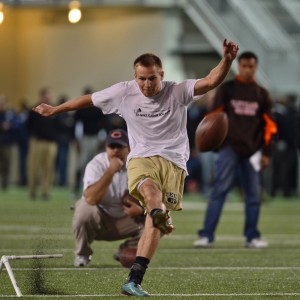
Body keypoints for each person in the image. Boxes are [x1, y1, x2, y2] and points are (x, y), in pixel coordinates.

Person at [33, 38, 239, 296]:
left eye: (152, 78)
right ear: (135, 76)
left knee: (155, 222)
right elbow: (88, 100)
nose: (146, 84)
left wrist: (228, 60)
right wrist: (56, 109)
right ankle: (157, 213)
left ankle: (134, 280)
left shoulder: (177, 91)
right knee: (150, 191)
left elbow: (210, 81)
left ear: (161, 74)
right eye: (141, 79)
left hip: (174, 163)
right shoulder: (124, 92)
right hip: (142, 157)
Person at [193, 51, 278, 250]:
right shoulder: (227, 90)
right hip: (229, 148)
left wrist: (266, 152)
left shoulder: (262, 94)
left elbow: (270, 127)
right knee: (219, 191)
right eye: (245, 66)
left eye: (252, 66)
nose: (248, 70)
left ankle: (252, 237)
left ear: (255, 68)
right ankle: (207, 235)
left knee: (253, 195)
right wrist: (214, 143)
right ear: (239, 67)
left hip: (253, 151)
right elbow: (213, 117)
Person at [72, 129, 145, 267]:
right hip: (100, 219)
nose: (116, 150)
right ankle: (83, 254)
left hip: (127, 219)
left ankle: (127, 249)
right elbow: (90, 199)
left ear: (129, 148)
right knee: (83, 208)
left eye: (120, 146)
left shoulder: (139, 165)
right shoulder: (96, 164)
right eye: (112, 146)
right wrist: (110, 171)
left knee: (162, 219)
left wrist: (141, 210)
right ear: (106, 148)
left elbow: (152, 197)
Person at [27, 87, 59, 200]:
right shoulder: (35, 110)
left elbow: (58, 126)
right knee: (34, 168)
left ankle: (45, 191)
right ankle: (32, 191)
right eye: (46, 95)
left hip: (51, 143)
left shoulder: (55, 109)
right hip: (38, 142)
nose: (48, 97)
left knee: (48, 168)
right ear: (41, 96)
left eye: (49, 95)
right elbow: (28, 126)